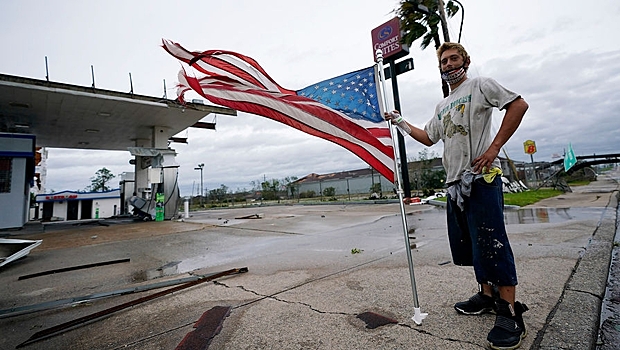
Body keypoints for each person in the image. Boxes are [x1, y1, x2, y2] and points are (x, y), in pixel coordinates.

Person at [385, 42, 529, 350]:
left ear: (465, 61)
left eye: (454, 59)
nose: (449, 64)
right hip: (455, 185)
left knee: (492, 242)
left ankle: (510, 312)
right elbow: (427, 138)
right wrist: (399, 122)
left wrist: (493, 149)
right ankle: (486, 296)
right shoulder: (443, 105)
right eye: (444, 61)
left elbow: (518, 105)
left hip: (481, 179)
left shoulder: (481, 85)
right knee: (473, 245)